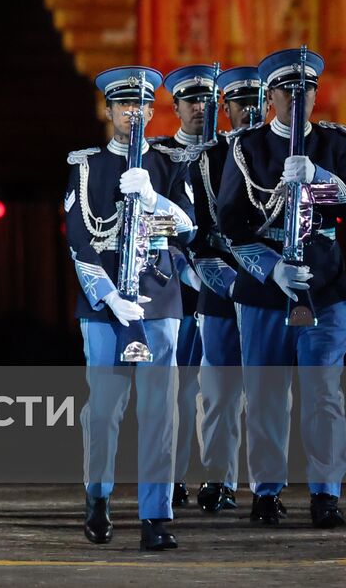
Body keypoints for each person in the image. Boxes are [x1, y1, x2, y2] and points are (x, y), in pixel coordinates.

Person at [217, 48, 346, 528]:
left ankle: (326, 493)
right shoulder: (248, 149)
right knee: (266, 395)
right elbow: (231, 226)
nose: (299, 99)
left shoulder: (333, 145)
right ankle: (267, 490)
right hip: (267, 289)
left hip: (324, 286)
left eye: (308, 90)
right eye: (288, 90)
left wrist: (320, 178)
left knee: (323, 393)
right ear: (272, 95)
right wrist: (272, 269)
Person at [65, 66, 195, 551]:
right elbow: (79, 239)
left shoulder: (167, 162)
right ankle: (97, 496)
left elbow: (188, 228)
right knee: (103, 411)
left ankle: (155, 517)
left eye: (141, 105)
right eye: (123, 105)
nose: (132, 113)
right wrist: (108, 295)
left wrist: (153, 193)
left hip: (158, 300)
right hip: (104, 304)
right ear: (109, 110)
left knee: (161, 412)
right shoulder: (86, 165)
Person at [191, 66, 263, 513]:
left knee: (267, 390)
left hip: (266, 282)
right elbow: (197, 233)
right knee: (217, 390)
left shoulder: (277, 154)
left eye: (258, 101)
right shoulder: (208, 157)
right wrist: (224, 279)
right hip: (219, 281)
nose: (249, 111)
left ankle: (266, 487)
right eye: (241, 103)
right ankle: (219, 479)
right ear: (227, 108)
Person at [148, 64, 219, 509]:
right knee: (177, 388)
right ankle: (172, 478)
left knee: (222, 391)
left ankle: (219, 481)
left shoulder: (234, 151)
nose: (200, 108)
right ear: (175, 107)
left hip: (226, 283)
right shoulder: (160, 156)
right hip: (178, 283)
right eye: (191, 101)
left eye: (208, 100)